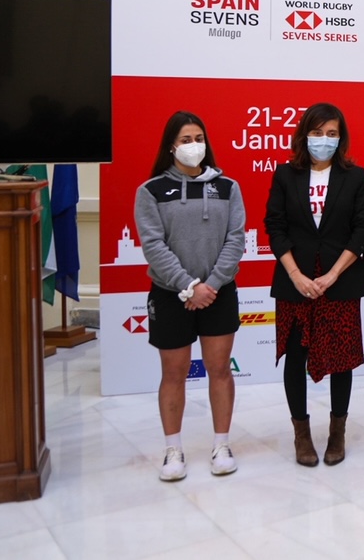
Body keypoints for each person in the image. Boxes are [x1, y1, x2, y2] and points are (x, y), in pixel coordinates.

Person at [134, 110, 245, 481]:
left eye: (198, 138)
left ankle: (221, 444)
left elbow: (235, 239)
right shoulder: (150, 191)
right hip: (171, 296)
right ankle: (173, 449)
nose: (193, 145)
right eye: (185, 139)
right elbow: (153, 245)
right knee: (174, 373)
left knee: (219, 369)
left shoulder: (228, 187)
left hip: (218, 292)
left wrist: (210, 285)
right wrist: (188, 287)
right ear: (171, 146)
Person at [264, 103, 364, 467]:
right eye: (316, 132)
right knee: (295, 359)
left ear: (340, 138)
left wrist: (332, 274)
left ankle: (337, 433)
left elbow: (363, 229)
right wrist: (296, 275)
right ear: (303, 135)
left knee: (341, 360)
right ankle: (302, 434)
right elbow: (274, 227)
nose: (323, 140)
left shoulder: (354, 177)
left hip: (339, 283)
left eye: (331, 133)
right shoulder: (285, 175)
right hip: (295, 283)